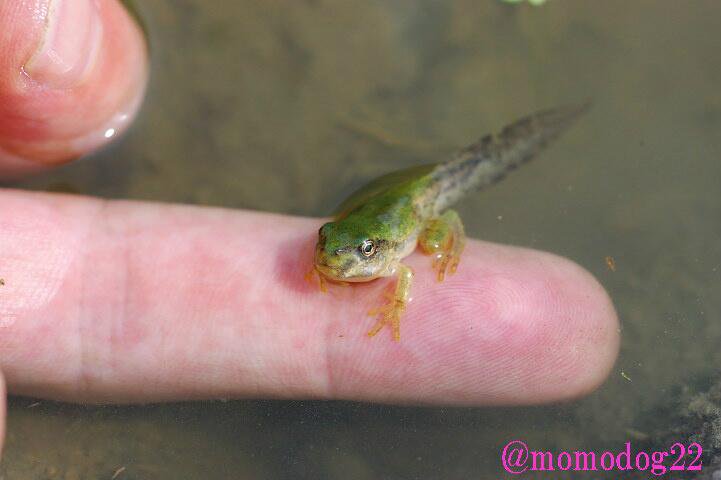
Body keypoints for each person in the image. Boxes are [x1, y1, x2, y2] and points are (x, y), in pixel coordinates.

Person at [0, 0, 619, 460]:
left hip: (419, 200)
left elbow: (399, 268)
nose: (339, 264)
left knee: (439, 227)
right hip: (379, 207)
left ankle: (546, 134)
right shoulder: (336, 248)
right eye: (331, 251)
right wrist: (334, 250)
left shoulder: (391, 258)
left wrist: (416, 267)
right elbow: (344, 246)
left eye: (357, 257)